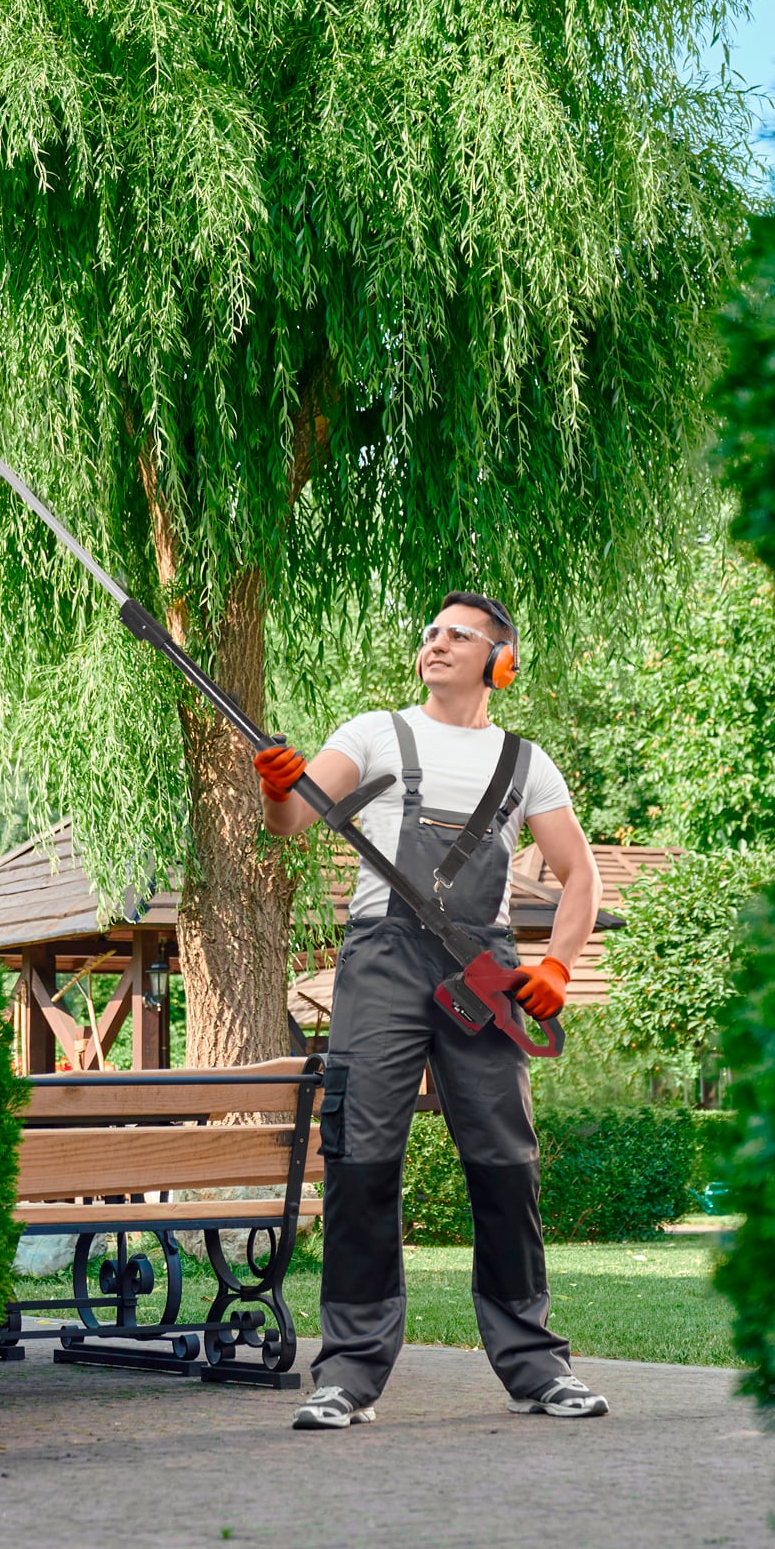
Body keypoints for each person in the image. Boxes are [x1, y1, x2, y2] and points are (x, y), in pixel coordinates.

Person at [253, 592, 607, 1430]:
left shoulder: (528, 763)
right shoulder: (374, 732)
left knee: (505, 1163)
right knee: (362, 1155)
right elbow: (292, 820)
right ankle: (347, 1372)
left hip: (483, 972)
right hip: (382, 959)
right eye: (431, 633)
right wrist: (275, 790)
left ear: (501, 661)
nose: (437, 643)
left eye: (459, 634)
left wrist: (555, 965)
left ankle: (536, 1367)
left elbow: (580, 876)